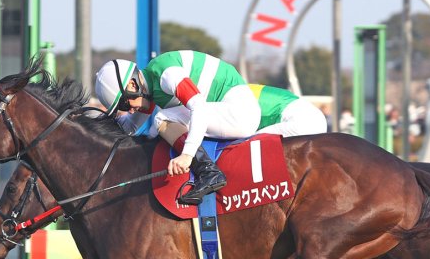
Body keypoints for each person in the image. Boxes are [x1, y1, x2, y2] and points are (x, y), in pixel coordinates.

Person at [94, 51, 326, 205]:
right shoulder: (149, 85)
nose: (129, 110)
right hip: (240, 110)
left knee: (161, 119)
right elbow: (128, 128)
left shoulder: (166, 75)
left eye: (125, 103)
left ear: (133, 84)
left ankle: (208, 172)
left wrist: (186, 156)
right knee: (159, 121)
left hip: (257, 116)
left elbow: (200, 109)